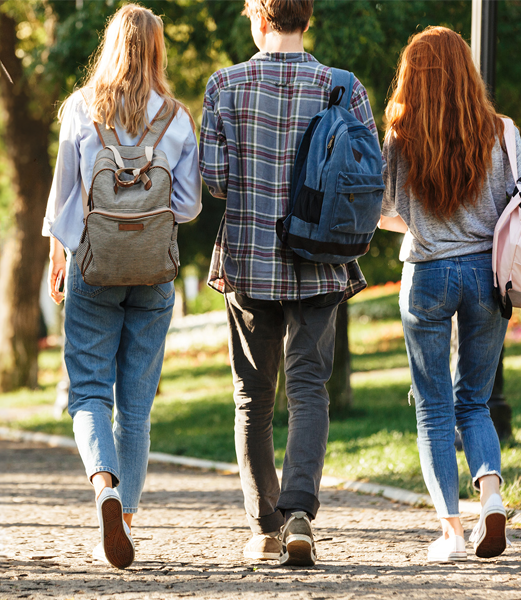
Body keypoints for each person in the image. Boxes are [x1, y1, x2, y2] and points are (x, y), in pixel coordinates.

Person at [199, 0, 378, 567]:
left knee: (253, 397)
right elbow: (369, 180)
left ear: (258, 19)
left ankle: (264, 527)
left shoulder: (224, 85)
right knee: (308, 389)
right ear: (307, 19)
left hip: (250, 260)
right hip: (322, 258)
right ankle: (300, 514)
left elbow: (216, 181)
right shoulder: (344, 87)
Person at [43, 4, 202, 569]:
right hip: (155, 274)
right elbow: (186, 208)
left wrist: (59, 256)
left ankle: (104, 490)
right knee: (136, 407)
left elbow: (64, 195)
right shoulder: (178, 119)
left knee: (88, 391)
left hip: (94, 266)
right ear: (158, 51)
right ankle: (126, 522)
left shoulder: (81, 110)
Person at [379, 27, 521, 562]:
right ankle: (490, 495)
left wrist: (424, 223)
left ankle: (451, 531)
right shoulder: (503, 131)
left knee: (433, 406)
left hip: (426, 274)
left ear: (412, 77)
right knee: (475, 400)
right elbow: (519, 205)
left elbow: (382, 210)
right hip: (488, 275)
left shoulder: (400, 134)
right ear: (468, 71)